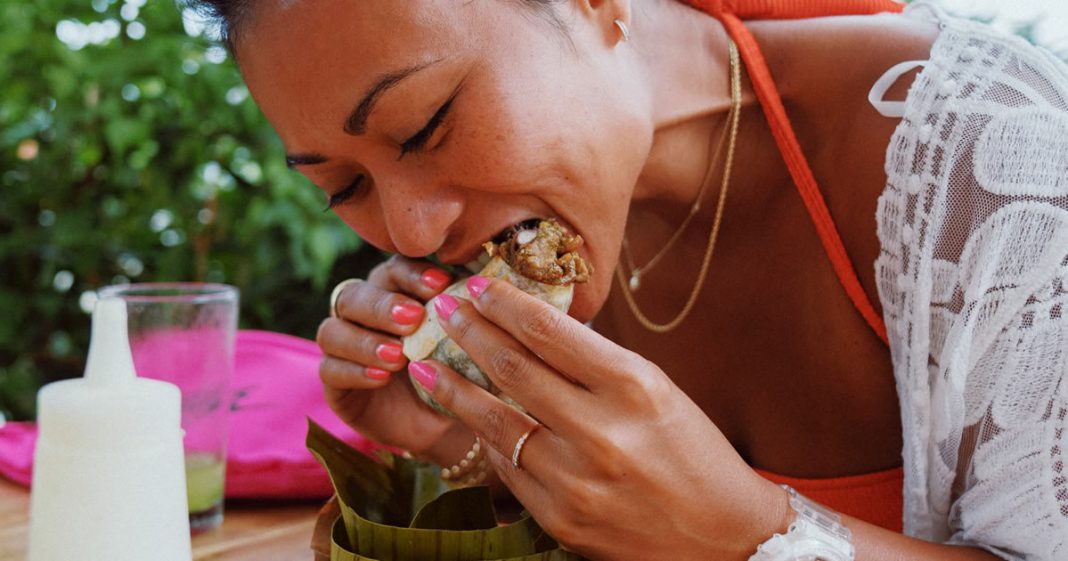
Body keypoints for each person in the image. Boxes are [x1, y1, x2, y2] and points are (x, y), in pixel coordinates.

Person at [188, 0, 1068, 558]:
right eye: (345, 185)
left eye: (425, 127)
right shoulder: (562, 227)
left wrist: (753, 536)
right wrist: (461, 443)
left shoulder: (989, 161)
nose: (411, 227)